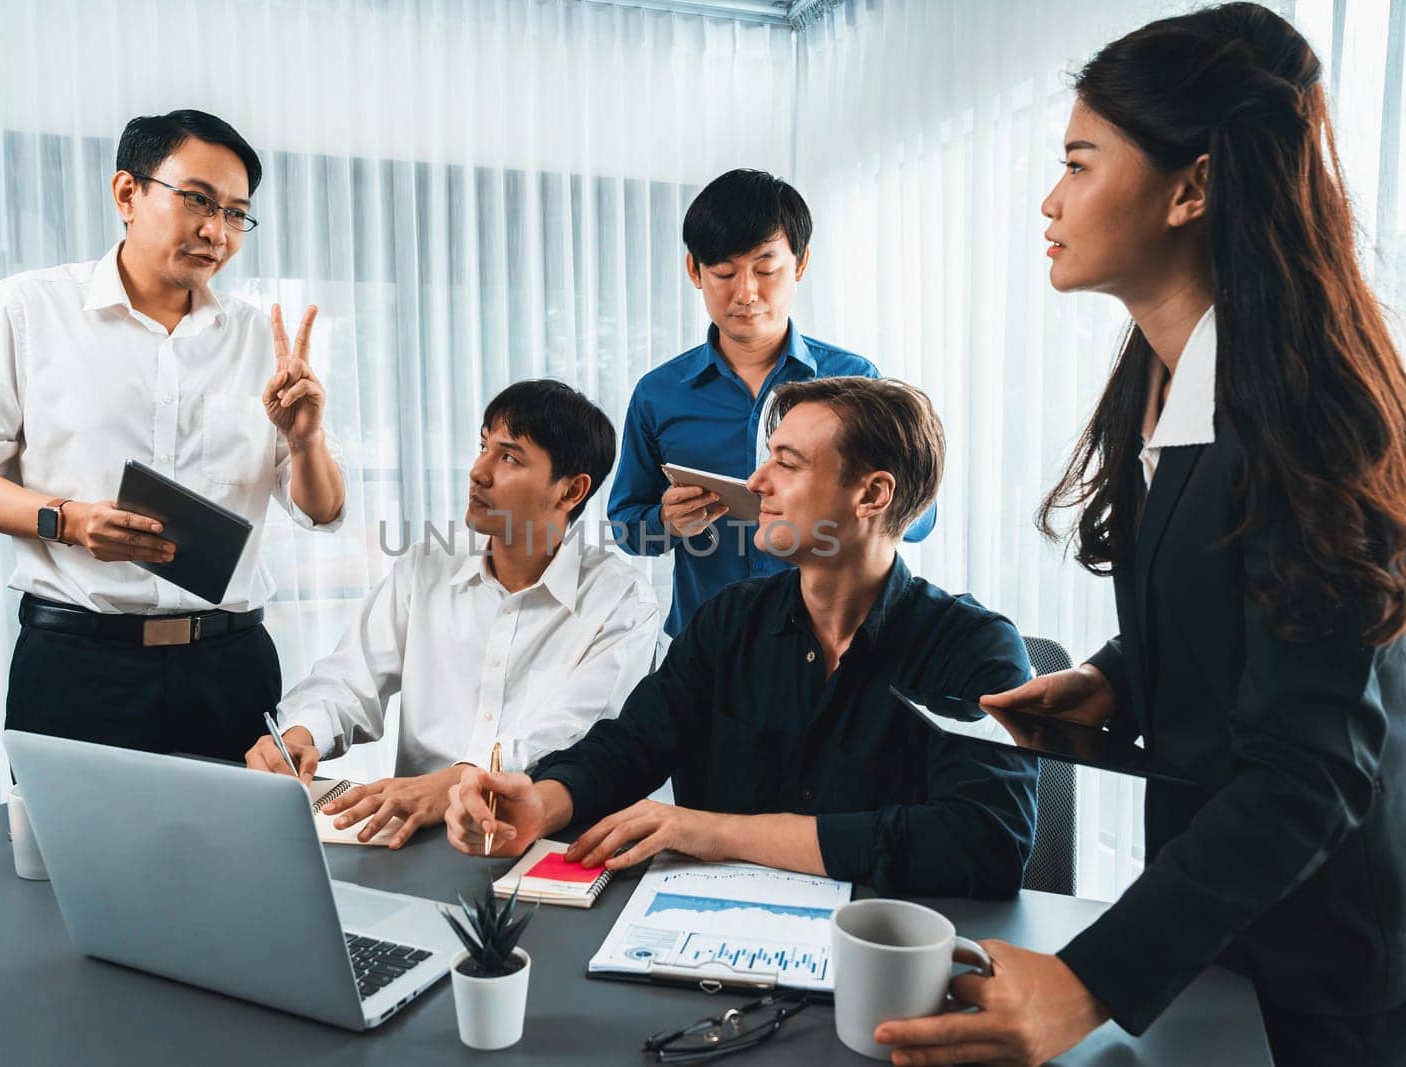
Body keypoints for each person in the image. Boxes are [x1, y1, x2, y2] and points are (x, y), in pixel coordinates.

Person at [877, 6, 1406, 1065]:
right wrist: (1120, 674)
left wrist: (1084, 982)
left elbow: (1310, 767)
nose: (1050, 198)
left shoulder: (1309, 414)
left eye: (1078, 163)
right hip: (1220, 933)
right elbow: (1258, 604)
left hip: (1318, 966)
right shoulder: (1170, 379)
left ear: (1191, 188)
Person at [445, 377, 1036, 895]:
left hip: (886, 953)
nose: (755, 483)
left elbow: (986, 841)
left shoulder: (974, 649)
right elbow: (632, 744)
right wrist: (541, 804)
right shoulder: (728, 620)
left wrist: (709, 830)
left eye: (788, 463)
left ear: (872, 495)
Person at [0, 110, 346, 762]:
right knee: (72, 864)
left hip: (229, 666)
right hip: (76, 665)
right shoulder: (24, 310)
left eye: (236, 213)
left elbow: (323, 510)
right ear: (127, 193)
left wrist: (305, 440)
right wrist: (65, 520)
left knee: (238, 862)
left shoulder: (264, 339)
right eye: (198, 200)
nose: (217, 231)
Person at [245, 380, 659, 849]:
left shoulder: (623, 602)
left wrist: (452, 784)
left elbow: (572, 736)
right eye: (483, 447)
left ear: (571, 491)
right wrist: (302, 735)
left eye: (509, 457)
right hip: (410, 835)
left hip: (541, 841)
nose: (478, 472)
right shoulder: (427, 568)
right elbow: (347, 679)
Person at [607, 169, 936, 639]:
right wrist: (666, 522)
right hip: (709, 645)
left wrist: (857, 504)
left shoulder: (854, 380)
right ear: (694, 271)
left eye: (766, 269)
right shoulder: (659, 394)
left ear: (799, 265)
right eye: (723, 272)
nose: (745, 293)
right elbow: (626, 529)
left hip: (833, 644)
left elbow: (920, 518)